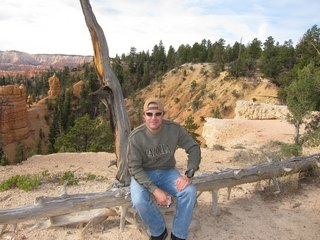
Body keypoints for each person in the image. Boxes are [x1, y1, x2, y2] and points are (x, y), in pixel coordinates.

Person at [127, 97, 201, 240]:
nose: (153, 118)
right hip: (144, 172)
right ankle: (159, 231)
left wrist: (189, 173)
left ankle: (178, 234)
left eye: (157, 114)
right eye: (149, 114)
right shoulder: (136, 137)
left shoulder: (173, 129)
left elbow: (193, 147)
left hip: (167, 171)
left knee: (189, 191)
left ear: (163, 114)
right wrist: (155, 190)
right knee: (139, 200)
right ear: (144, 115)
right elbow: (134, 167)